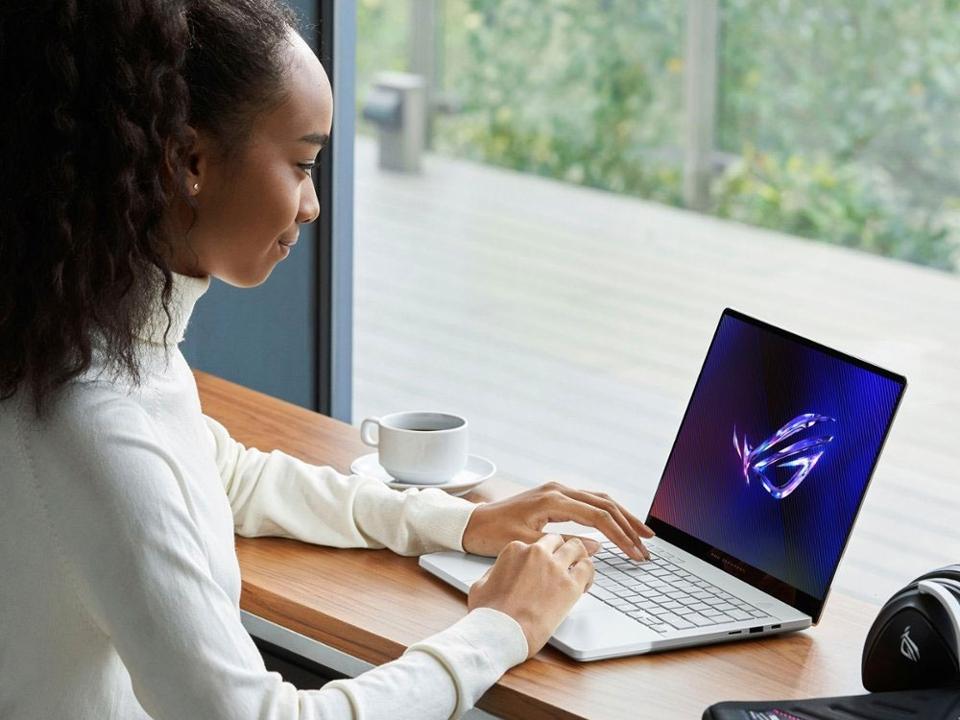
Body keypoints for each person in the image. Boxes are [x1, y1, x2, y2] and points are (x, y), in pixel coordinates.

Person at [0, 2, 655, 718]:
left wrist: (459, 524)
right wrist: (501, 628)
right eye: (304, 164)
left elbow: (229, 477)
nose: (312, 206)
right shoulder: (89, 413)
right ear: (189, 161)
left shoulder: (92, 346)